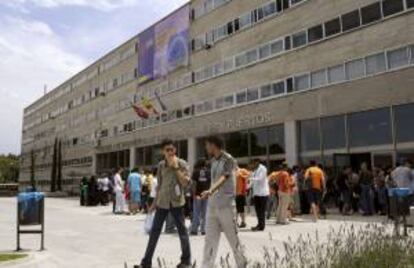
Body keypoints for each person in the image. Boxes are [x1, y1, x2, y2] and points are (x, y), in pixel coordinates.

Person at [135, 139, 191, 268]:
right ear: (163, 152)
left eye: (172, 149)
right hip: (162, 203)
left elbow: (185, 183)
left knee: (182, 231)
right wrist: (153, 205)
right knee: (154, 233)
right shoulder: (161, 165)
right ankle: (146, 263)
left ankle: (186, 261)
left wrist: (176, 167)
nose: (170, 152)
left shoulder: (182, 163)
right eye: (167, 150)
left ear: (175, 150)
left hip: (177, 203)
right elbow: (159, 186)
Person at [200, 136, 247, 268]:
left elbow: (225, 176)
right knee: (210, 240)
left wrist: (211, 190)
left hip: (226, 205)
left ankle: (242, 264)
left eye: (207, 144)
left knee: (233, 238)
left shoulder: (228, 159)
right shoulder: (213, 161)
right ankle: (207, 265)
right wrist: (210, 192)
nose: (206, 147)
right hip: (212, 206)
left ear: (213, 145)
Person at [190, 159, 211, 236]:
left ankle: (194, 230)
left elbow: (194, 184)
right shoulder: (209, 172)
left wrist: (194, 194)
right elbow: (210, 183)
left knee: (196, 212)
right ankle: (203, 230)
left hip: (197, 194)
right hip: (206, 194)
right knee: (205, 213)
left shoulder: (195, 172)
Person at [250, 159, 269, 231]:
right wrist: (247, 187)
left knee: (261, 211)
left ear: (257, 162)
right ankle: (259, 224)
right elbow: (252, 182)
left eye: (253, 163)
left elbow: (260, 179)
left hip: (263, 193)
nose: (252, 165)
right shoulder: (255, 171)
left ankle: (261, 226)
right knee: (258, 211)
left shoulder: (263, 168)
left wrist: (250, 178)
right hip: (256, 193)